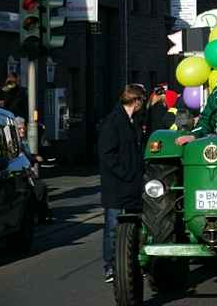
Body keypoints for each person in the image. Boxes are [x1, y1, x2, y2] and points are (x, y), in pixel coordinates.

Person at [98, 83, 146, 283]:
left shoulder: (133, 120)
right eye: (142, 100)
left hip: (132, 184)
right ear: (136, 101)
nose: (143, 103)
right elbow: (107, 154)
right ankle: (110, 266)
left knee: (135, 226)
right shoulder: (113, 121)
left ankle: (132, 264)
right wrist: (126, 173)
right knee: (113, 227)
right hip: (117, 186)